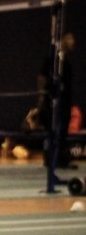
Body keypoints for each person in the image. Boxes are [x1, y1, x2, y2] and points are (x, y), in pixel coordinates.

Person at [37, 31, 76, 168]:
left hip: (65, 102)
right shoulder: (52, 58)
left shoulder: (67, 62)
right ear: (63, 40)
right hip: (53, 102)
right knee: (52, 131)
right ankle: (49, 160)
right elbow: (41, 77)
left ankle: (61, 159)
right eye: (70, 38)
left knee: (63, 131)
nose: (73, 42)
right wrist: (42, 97)